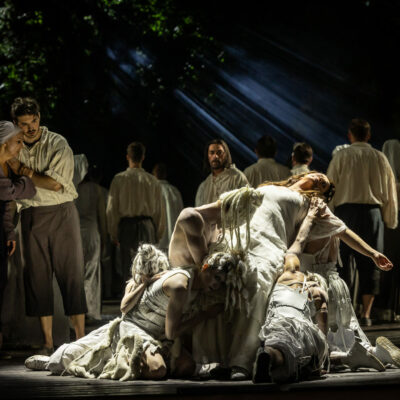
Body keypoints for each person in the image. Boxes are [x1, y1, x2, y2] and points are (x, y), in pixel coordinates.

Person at [24, 244, 233, 381]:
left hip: (157, 335)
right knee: (157, 370)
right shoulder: (180, 283)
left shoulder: (196, 284)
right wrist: (205, 315)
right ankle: (104, 358)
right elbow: (171, 332)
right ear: (205, 267)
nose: (217, 285)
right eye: (216, 278)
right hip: (136, 329)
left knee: (186, 367)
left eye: (221, 282)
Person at [7, 97, 87, 355]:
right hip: (31, 214)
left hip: (62, 212)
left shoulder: (58, 143)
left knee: (71, 274)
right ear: (16, 124)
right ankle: (48, 343)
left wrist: (25, 171)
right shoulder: (14, 147)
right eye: (24, 124)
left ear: (39, 118)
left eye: (34, 121)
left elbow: (55, 184)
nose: (30, 128)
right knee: (37, 278)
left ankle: (81, 339)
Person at [327, 118, 398, 326]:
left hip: (345, 212)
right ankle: (365, 314)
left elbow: (330, 188)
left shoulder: (341, 156)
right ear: (368, 135)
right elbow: (389, 190)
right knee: (372, 262)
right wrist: (389, 219)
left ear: (350, 135)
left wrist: (328, 217)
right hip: (372, 213)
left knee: (342, 262)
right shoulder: (379, 157)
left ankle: (345, 314)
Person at [253, 252, 329, 383]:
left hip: (277, 318)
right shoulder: (318, 291)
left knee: (278, 344)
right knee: (292, 353)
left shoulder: (289, 276)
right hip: (300, 325)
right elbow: (323, 328)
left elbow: (290, 255)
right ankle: (273, 358)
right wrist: (323, 354)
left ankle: (268, 354)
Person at [106, 142, 166, 291]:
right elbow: (160, 210)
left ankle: (129, 303)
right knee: (148, 268)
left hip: (126, 226)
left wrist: (113, 233)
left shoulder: (119, 179)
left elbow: (111, 209)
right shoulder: (152, 181)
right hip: (147, 225)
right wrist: (158, 233)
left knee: (128, 269)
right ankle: (147, 304)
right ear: (143, 157)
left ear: (128, 157)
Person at [0, 121, 36, 359]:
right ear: (4, 143)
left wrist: (10, 232)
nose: (21, 147)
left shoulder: (4, 166)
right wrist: (26, 181)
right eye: (18, 142)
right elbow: (13, 191)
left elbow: (6, 204)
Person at [75, 158, 107, 321]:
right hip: (93, 232)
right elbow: (102, 215)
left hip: (75, 234)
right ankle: (91, 310)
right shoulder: (97, 190)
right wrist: (105, 237)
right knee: (92, 271)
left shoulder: (74, 189)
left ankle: (78, 309)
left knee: (77, 272)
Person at [195, 138, 248, 207]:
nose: (215, 156)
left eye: (219, 152)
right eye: (212, 153)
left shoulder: (237, 177)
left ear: (225, 155)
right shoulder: (205, 185)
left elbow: (246, 206)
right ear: (208, 156)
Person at [152, 162, 184, 252]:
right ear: (165, 174)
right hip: (173, 240)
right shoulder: (174, 191)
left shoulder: (151, 191)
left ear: (153, 174)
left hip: (156, 241)